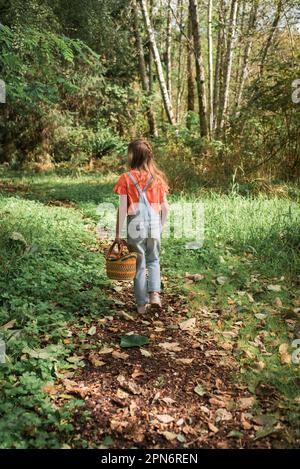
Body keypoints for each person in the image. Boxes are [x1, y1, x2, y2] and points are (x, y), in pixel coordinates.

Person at [113, 139, 169, 314]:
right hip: (154, 225)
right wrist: (161, 226)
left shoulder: (126, 178)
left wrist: (117, 233)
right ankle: (154, 294)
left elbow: (122, 208)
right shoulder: (157, 179)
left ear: (132, 156)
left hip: (135, 226)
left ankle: (141, 305)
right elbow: (165, 207)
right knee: (154, 259)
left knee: (139, 263)